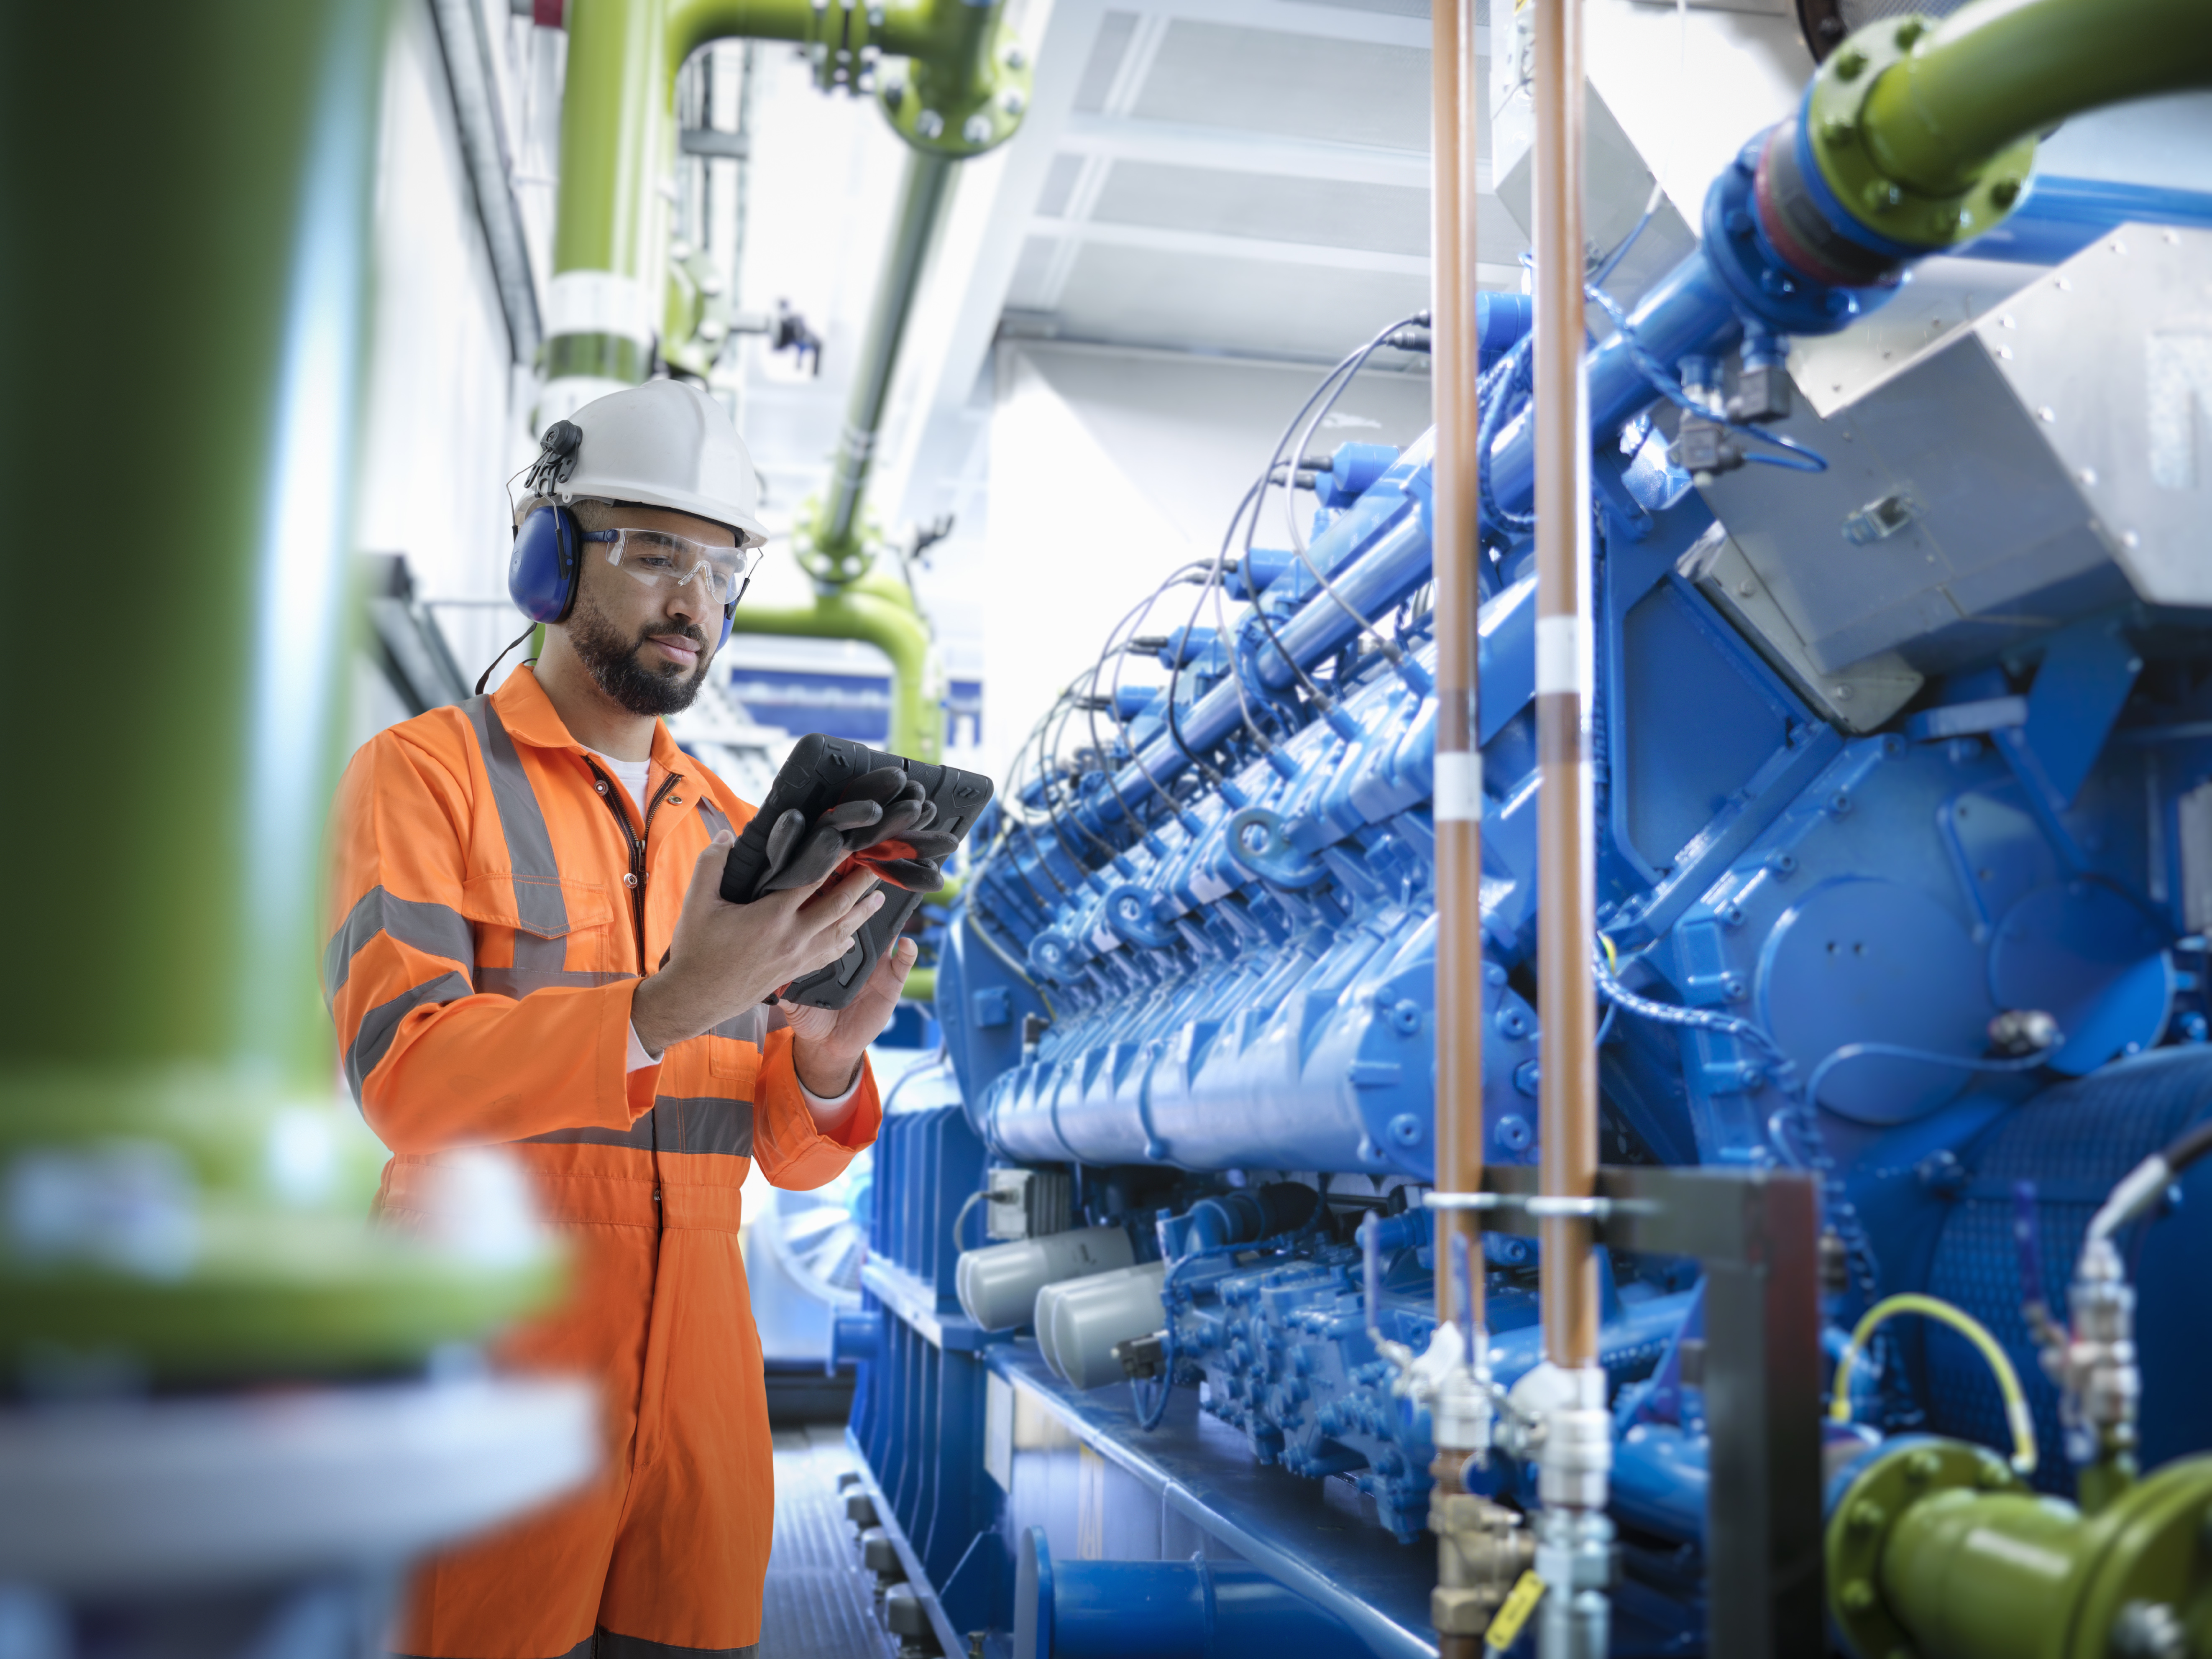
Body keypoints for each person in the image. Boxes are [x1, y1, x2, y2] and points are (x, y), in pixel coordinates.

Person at [325, 379, 908, 1659]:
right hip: (489, 1371)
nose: (692, 599)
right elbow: (402, 1078)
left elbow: (780, 1156)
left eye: (720, 568)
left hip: (700, 1393)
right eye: (652, 554)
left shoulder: (734, 831)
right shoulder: (423, 778)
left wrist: (821, 1069)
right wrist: (665, 1006)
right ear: (550, 557)